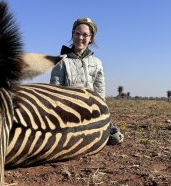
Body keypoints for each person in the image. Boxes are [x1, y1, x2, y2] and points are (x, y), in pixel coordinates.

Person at [50, 17, 124, 145]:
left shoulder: (97, 63)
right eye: (77, 33)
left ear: (91, 39)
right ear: (72, 34)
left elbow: (100, 93)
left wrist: (101, 114)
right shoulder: (61, 61)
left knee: (116, 138)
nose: (80, 38)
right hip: (68, 113)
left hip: (91, 113)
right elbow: (55, 92)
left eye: (85, 35)